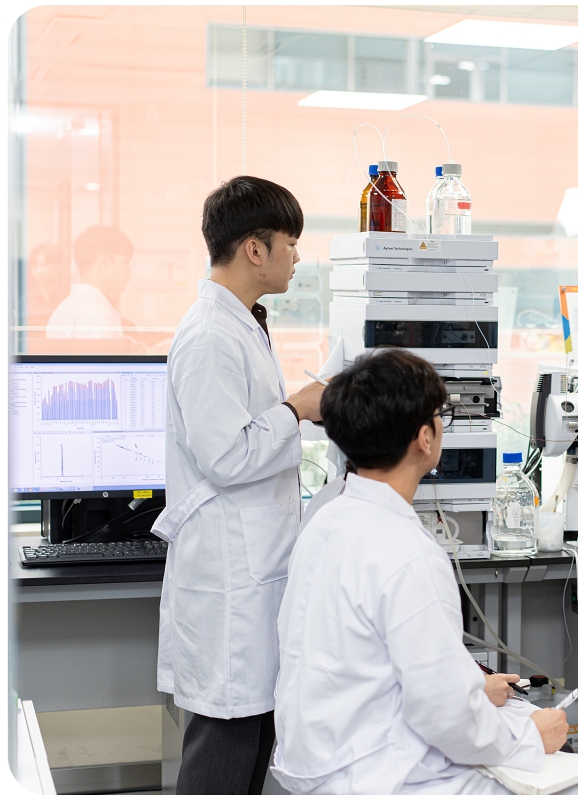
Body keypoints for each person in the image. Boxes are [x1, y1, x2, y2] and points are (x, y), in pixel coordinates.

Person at [271, 349, 578, 795]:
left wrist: (471, 687)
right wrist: (528, 738)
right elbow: (445, 719)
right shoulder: (409, 554)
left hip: (320, 758)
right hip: (379, 777)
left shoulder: (326, 517)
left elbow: (369, 659)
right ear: (425, 438)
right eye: (439, 416)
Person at [151, 176, 326, 794]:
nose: (297, 257)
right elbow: (226, 455)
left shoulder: (243, 324)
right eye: (290, 243)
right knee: (223, 754)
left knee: (251, 747)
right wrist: (298, 408)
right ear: (256, 249)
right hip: (229, 580)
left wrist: (294, 412)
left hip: (254, 571)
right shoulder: (209, 336)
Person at [46, 226, 133, 339]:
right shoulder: (97, 314)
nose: (130, 271)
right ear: (104, 263)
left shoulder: (64, 308)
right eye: (126, 262)